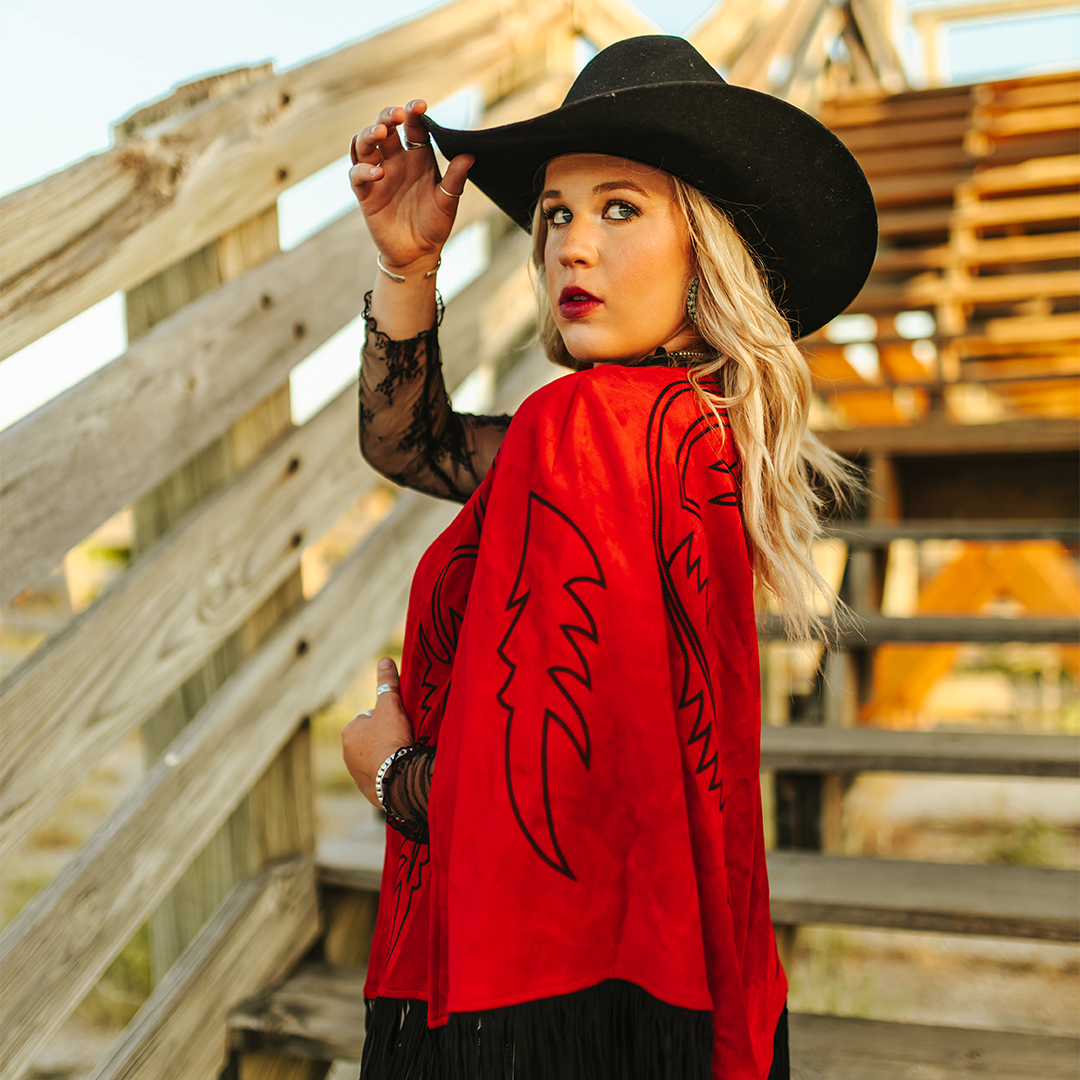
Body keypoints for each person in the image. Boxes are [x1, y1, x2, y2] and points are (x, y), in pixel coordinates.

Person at [340, 34, 876, 1080]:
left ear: (705, 247)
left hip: (549, 1004)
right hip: (665, 982)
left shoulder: (590, 425)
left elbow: (549, 789)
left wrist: (390, 773)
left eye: (620, 208)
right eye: (556, 215)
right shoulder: (684, 428)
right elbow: (417, 444)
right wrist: (409, 264)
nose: (572, 247)